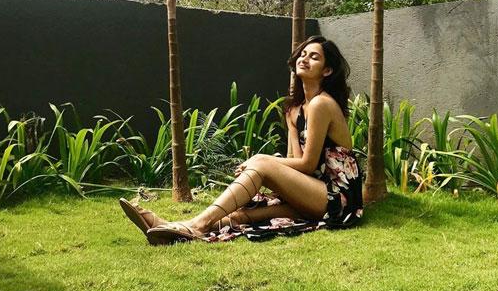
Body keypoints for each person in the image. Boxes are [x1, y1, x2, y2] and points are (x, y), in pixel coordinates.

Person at [119, 35, 363, 244]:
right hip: (311, 192)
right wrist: (270, 170)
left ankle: (196, 223)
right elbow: (295, 162)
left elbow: (308, 164)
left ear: (327, 70)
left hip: (337, 199)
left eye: (314, 57)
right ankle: (170, 227)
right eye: (303, 54)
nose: (304, 59)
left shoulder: (322, 103)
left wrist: (261, 160)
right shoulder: (294, 110)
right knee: (244, 215)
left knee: (262, 166)